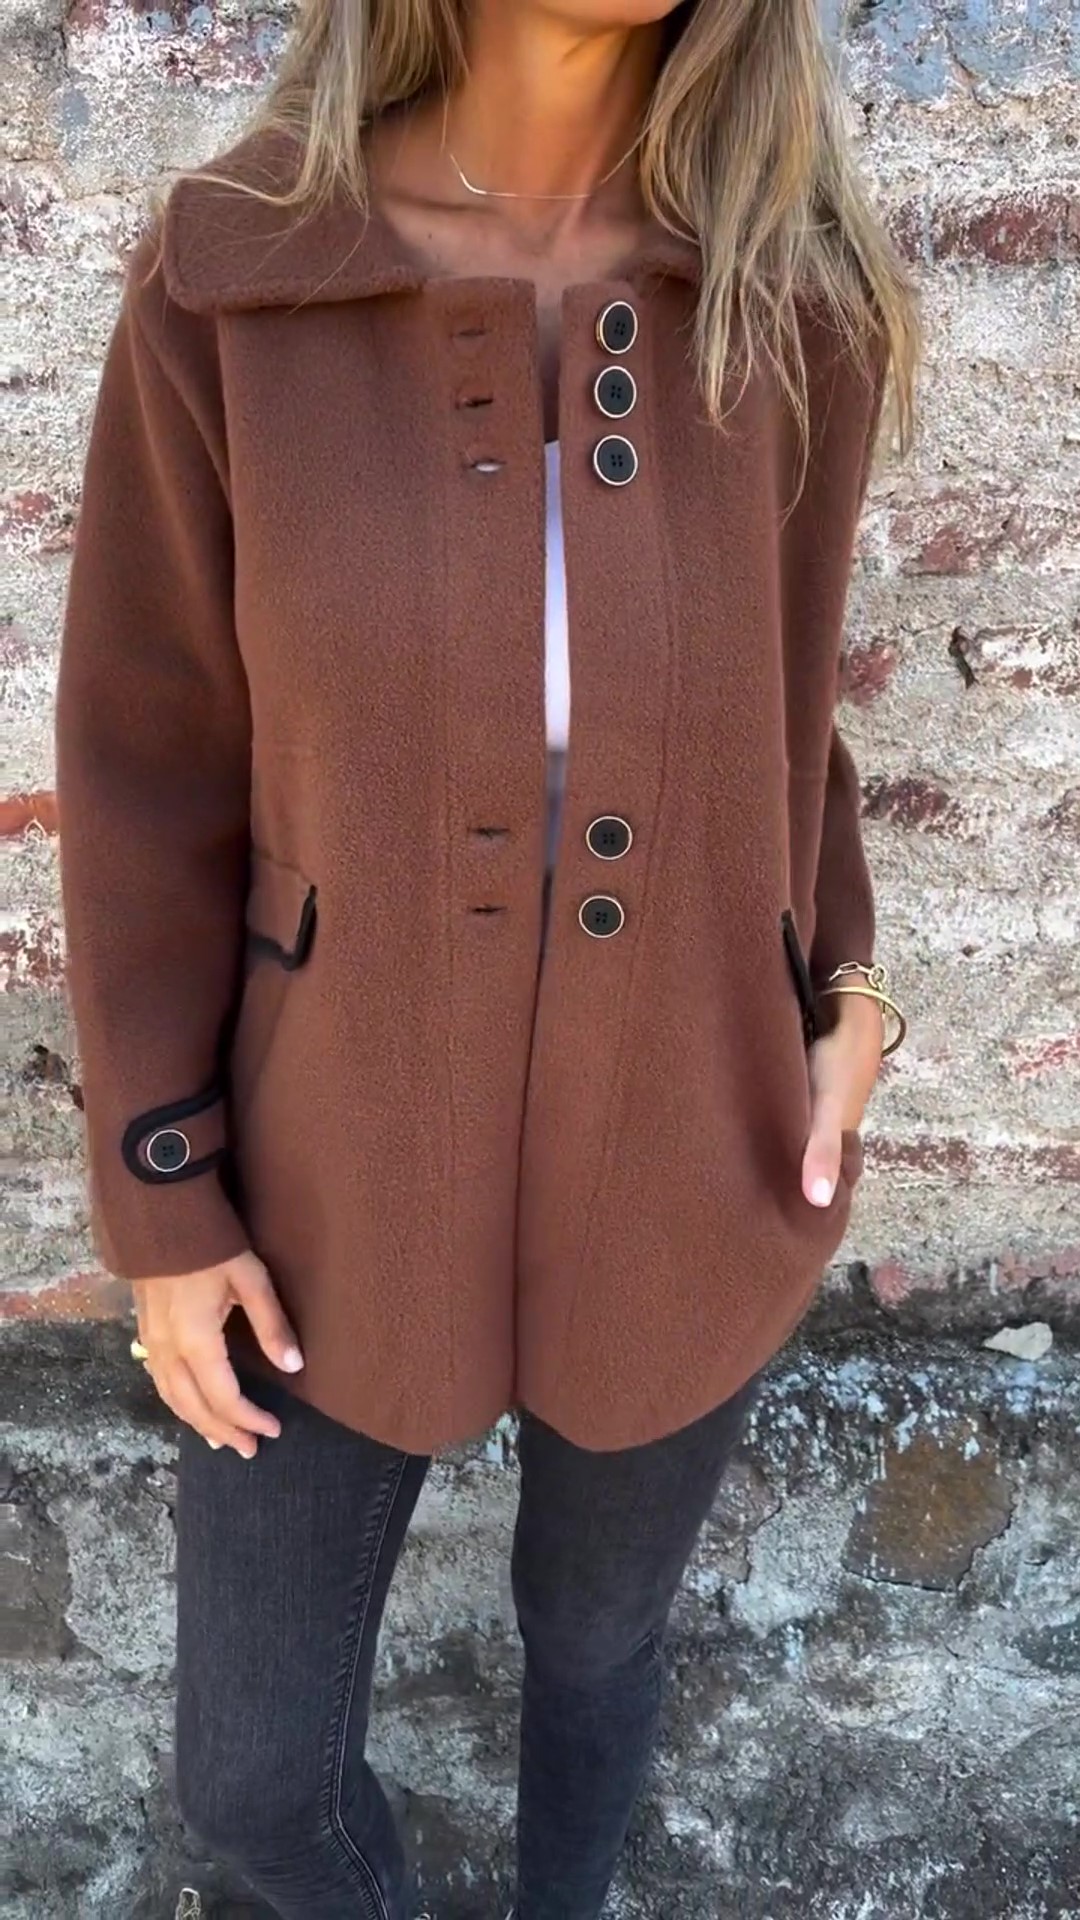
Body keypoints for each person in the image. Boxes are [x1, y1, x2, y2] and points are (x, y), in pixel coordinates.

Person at [55, 2, 916, 1916]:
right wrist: (164, 1196)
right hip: (330, 1157)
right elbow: (146, 767)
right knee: (254, 1782)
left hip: (690, 1132)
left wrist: (849, 990)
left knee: (598, 1649)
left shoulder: (790, 297)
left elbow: (789, 713)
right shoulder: (237, 280)